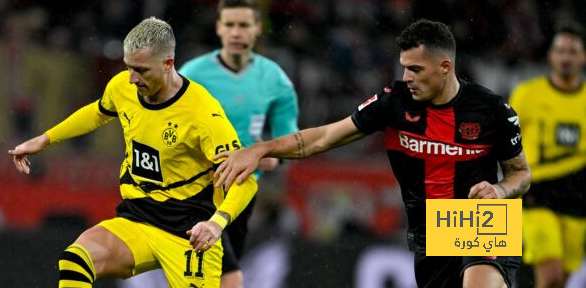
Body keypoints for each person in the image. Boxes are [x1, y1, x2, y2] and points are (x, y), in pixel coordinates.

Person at [213, 19, 531, 288]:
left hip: (481, 219)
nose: (406, 77)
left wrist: (500, 190)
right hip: (430, 228)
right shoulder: (394, 102)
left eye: (416, 69)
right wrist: (261, 149)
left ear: (445, 67)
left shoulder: (492, 110)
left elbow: (521, 173)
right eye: (404, 67)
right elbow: (324, 137)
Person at [8, 17, 257, 288]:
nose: (132, 78)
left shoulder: (203, 114)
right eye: (128, 67)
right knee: (76, 259)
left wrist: (217, 223)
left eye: (140, 70)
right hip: (137, 219)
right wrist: (45, 140)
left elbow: (246, 182)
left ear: (168, 64)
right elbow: (97, 112)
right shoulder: (123, 87)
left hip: (188, 234)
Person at [178, 0, 299, 288]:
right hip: (197, 189)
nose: (236, 32)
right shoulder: (192, 75)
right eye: (229, 24)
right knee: (226, 275)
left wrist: (272, 156)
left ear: (258, 28)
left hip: (243, 192)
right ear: (218, 27)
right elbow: (168, 127)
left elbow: (290, 139)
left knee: (216, 274)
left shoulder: (274, 78)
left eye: (244, 25)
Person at [510, 23, 586, 288]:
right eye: (560, 51)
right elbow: (504, 140)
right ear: (551, 56)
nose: (566, 57)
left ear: (582, 57)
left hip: (578, 197)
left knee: (560, 280)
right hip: (537, 192)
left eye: (572, 51)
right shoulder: (527, 95)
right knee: (551, 273)